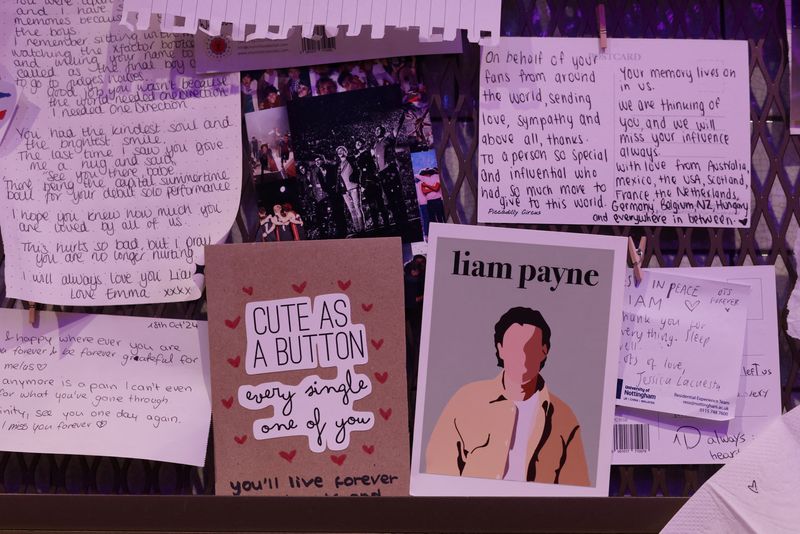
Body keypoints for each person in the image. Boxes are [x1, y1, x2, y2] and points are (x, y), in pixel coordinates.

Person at [426, 307, 590, 486]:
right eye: (514, 347)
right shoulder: (465, 400)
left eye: (531, 347)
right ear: (500, 349)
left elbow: (577, 491)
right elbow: (438, 473)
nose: (522, 356)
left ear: (544, 350)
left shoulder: (564, 418)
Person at [372, 125, 407, 227]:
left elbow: (396, 131)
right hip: (382, 173)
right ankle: (397, 221)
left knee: (398, 194)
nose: (377, 130)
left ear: (383, 131)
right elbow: (376, 159)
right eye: (376, 129)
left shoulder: (388, 139)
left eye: (379, 129)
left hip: (390, 169)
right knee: (389, 197)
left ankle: (404, 220)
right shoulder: (375, 145)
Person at [355, 138, 388, 229]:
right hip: (365, 184)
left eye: (359, 142)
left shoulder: (370, 151)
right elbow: (361, 172)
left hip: (373, 181)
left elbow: (375, 165)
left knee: (380, 203)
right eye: (356, 143)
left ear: (363, 143)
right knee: (371, 205)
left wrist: (374, 177)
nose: (357, 144)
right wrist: (362, 184)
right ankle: (376, 225)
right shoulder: (357, 157)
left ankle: (386, 224)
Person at [336, 146, 364, 234]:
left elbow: (359, 171)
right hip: (345, 190)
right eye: (338, 151)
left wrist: (359, 182)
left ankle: (362, 228)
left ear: (346, 152)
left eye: (342, 150)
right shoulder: (338, 165)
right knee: (351, 209)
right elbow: (338, 178)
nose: (340, 152)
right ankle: (357, 229)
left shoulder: (351, 159)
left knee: (357, 207)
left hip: (354, 187)